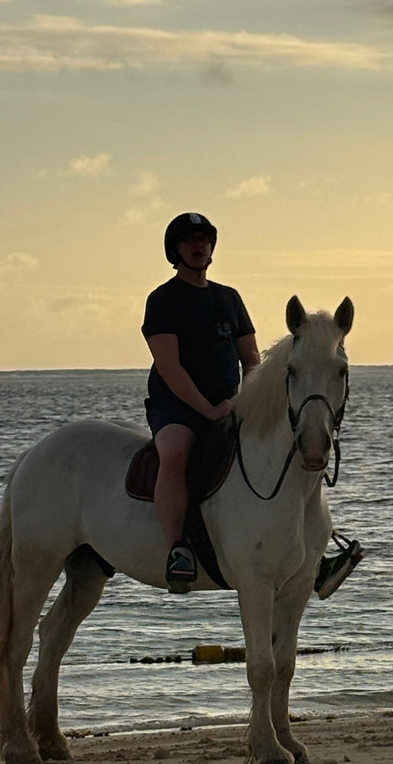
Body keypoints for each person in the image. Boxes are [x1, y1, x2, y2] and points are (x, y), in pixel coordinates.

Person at [142, 212, 260, 591]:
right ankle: (177, 548)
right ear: (174, 250)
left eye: (204, 240)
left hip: (229, 404)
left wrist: (248, 403)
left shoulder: (229, 298)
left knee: (278, 448)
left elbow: (251, 359)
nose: (199, 246)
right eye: (189, 240)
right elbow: (169, 366)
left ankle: (308, 548)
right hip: (175, 405)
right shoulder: (163, 300)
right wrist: (208, 410)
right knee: (176, 451)